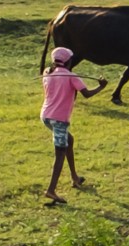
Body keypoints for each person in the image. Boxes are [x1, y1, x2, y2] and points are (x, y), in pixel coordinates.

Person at [40, 47, 106, 204]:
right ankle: (51, 190)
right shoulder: (71, 76)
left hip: (46, 116)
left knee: (69, 140)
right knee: (60, 152)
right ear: (69, 61)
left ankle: (75, 178)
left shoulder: (47, 73)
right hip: (59, 119)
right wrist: (102, 86)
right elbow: (87, 94)